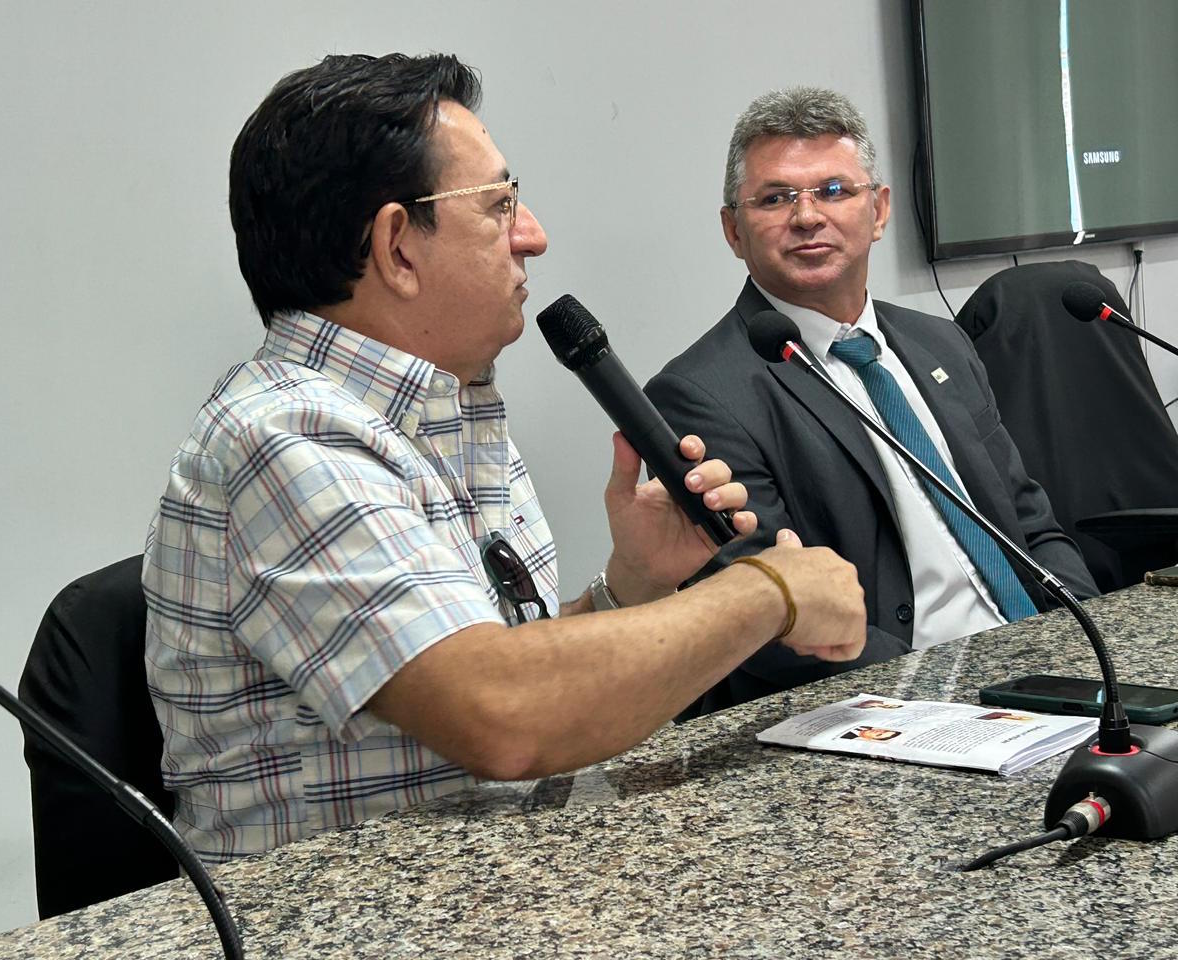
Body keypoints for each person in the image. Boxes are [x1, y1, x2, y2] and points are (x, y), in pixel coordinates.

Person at [142, 55, 867, 863]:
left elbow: (487, 665)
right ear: (397, 247)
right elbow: (501, 712)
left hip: (498, 881)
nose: (534, 235)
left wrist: (631, 585)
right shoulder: (284, 436)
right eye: (500, 205)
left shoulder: (444, 409)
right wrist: (769, 592)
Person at [644, 87, 1097, 714]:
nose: (807, 217)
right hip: (903, 700)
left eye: (833, 190)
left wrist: (1081, 638)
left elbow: (1032, 525)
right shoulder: (698, 395)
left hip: (1039, 668)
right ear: (733, 230)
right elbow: (767, 619)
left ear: (879, 210)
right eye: (776, 198)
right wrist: (953, 701)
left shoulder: (941, 342)